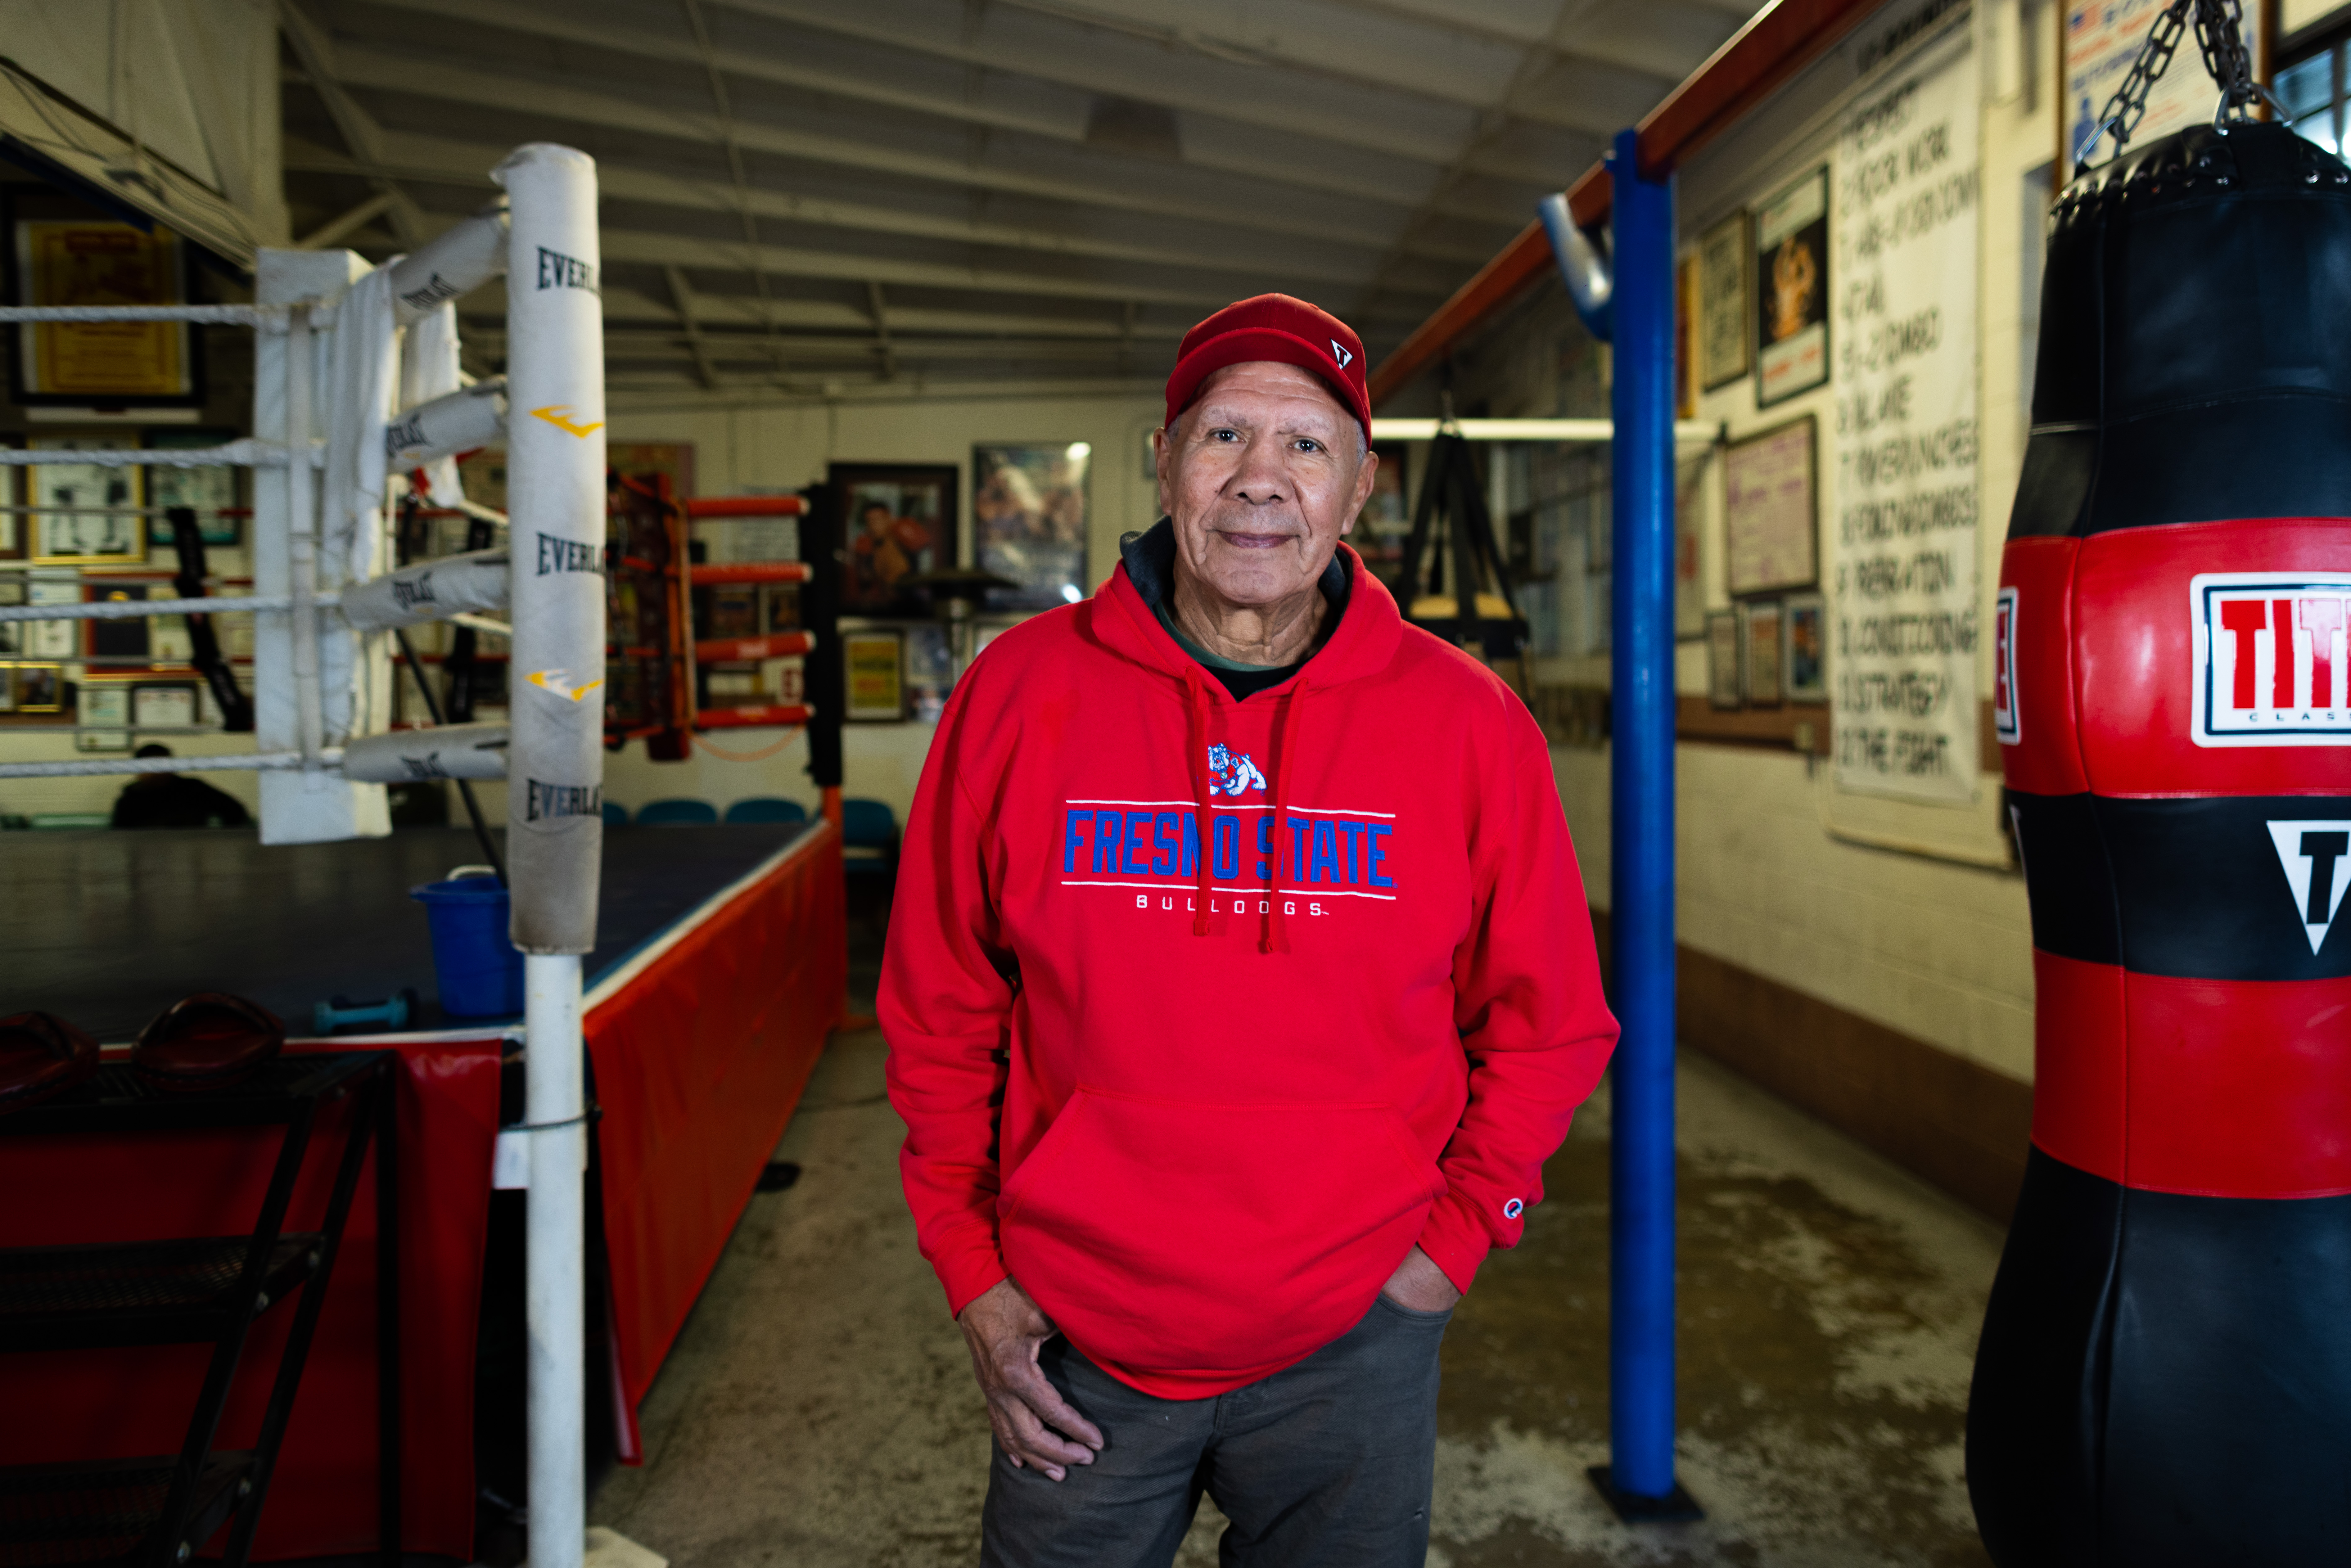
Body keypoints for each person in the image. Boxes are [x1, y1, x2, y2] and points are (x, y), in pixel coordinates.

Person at [881, 294, 1618, 1568]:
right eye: (1223, 437)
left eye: (1306, 445)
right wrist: (974, 1278)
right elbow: (940, 1011)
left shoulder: (1470, 723)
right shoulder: (1017, 693)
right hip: (1079, 1337)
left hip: (1358, 1337)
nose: (1260, 481)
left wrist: (1446, 1252)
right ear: (1163, 460)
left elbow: (1554, 1023)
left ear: (1360, 488)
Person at [111, 744, 251, 829]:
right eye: (152, 768)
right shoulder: (129, 800)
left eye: (164, 766)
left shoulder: (194, 789)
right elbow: (121, 835)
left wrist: (218, 844)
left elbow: (235, 811)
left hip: (192, 853)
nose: (158, 773)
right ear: (139, 771)